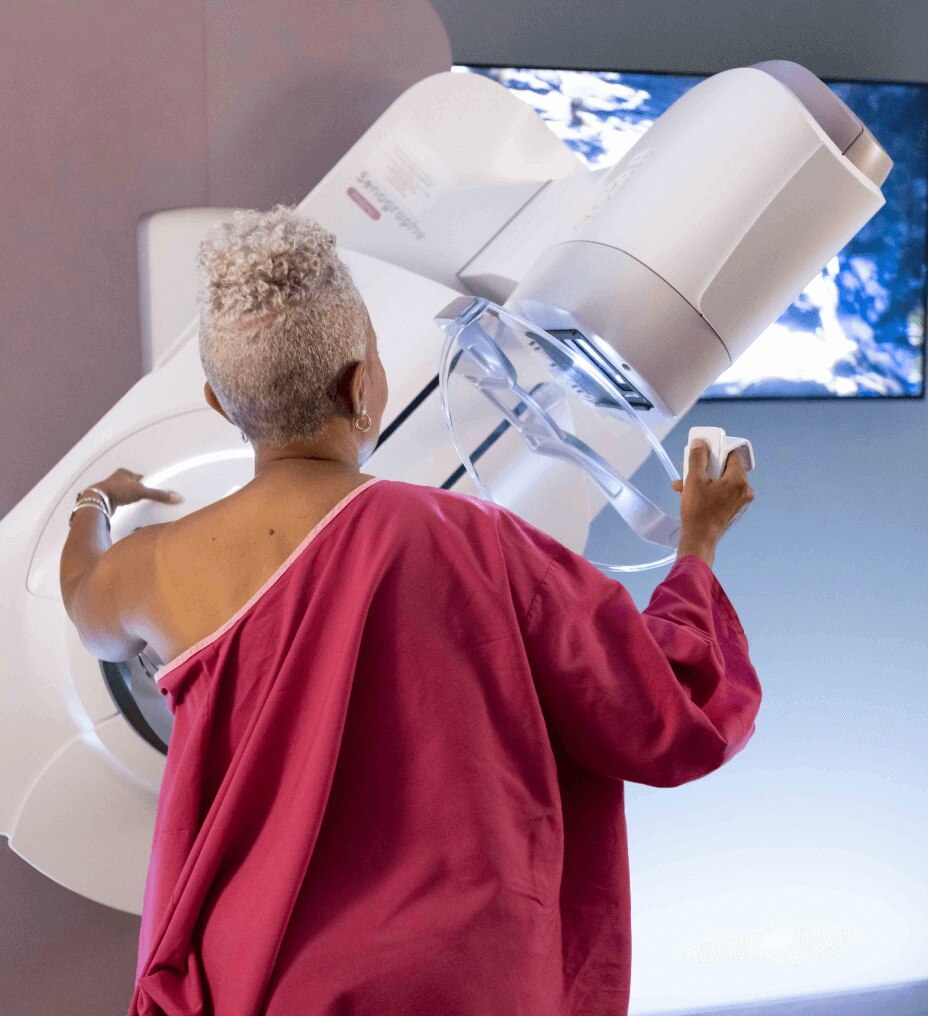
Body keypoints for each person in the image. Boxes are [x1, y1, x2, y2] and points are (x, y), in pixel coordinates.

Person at [62, 205, 760, 1016]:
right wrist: (698, 541)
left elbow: (85, 605)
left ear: (221, 405)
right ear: (362, 385)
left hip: (260, 988)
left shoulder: (153, 568)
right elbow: (666, 713)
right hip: (461, 986)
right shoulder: (474, 540)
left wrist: (94, 504)